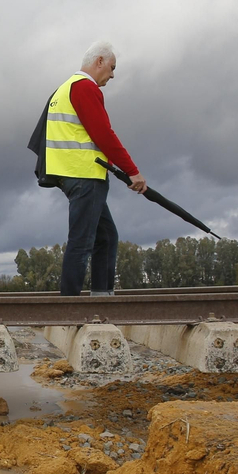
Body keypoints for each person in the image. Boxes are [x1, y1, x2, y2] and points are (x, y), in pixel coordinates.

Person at [37, 42, 147, 296]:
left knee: (106, 237)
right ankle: (71, 308)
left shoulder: (64, 89)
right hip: (84, 174)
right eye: (111, 67)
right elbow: (103, 134)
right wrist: (132, 170)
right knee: (82, 242)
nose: (112, 74)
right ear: (99, 61)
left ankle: (101, 299)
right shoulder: (85, 87)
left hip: (72, 175)